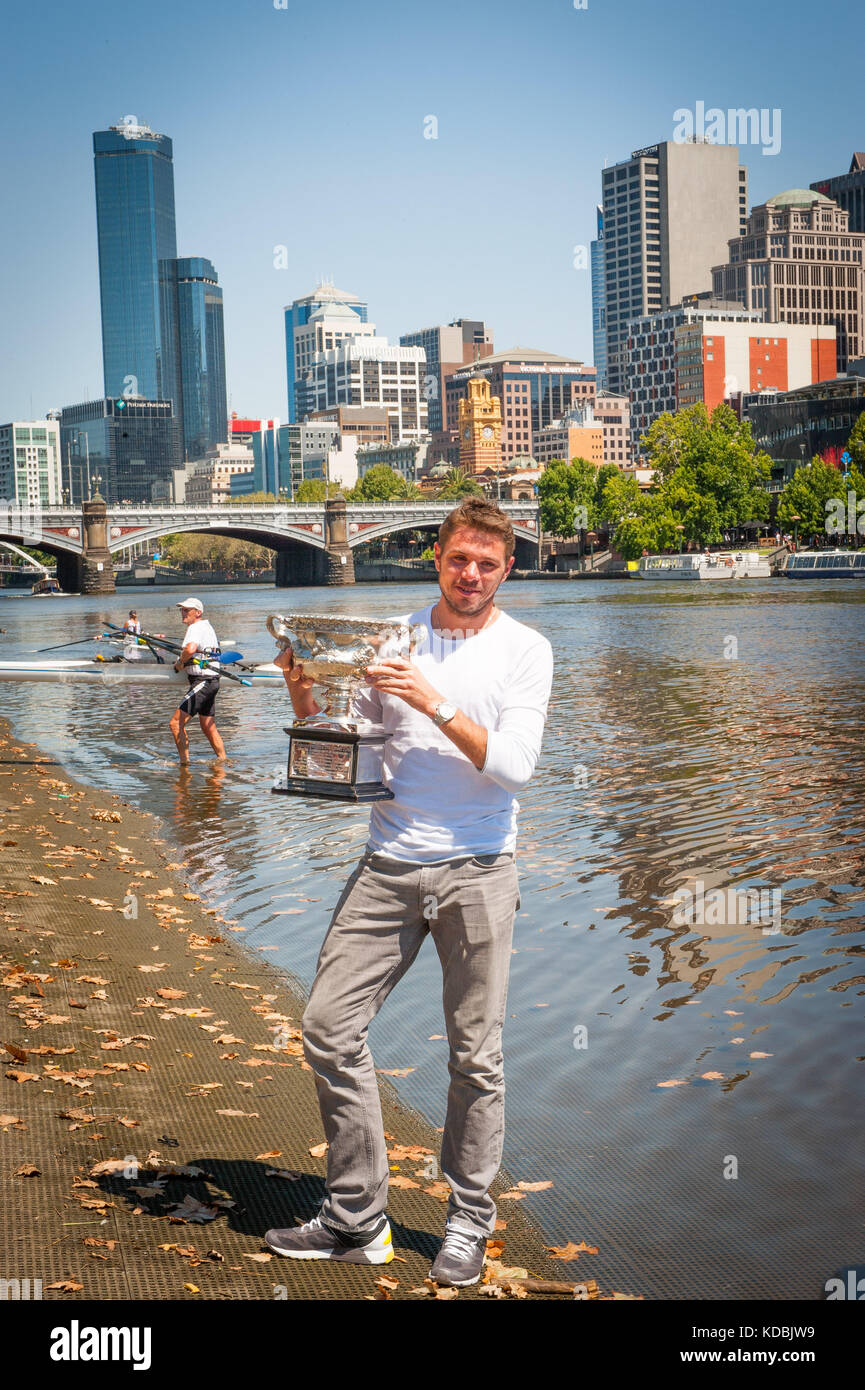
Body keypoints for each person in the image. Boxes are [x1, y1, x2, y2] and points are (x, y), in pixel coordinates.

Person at [266, 498, 554, 1286]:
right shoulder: (388, 638)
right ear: (438, 556)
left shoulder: (526, 650)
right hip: (387, 864)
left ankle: (466, 1221)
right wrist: (303, 694)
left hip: (479, 869)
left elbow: (514, 767)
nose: (471, 575)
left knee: (475, 1058)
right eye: (459, 559)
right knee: (327, 1026)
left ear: (507, 570)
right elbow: (349, 746)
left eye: (487, 565)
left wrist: (432, 699)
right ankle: (356, 1218)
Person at [168, 598, 226, 764]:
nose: (183, 613)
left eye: (187, 610)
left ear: (198, 613)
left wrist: (180, 663)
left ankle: (184, 765)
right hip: (212, 681)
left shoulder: (195, 627)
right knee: (208, 726)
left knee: (175, 723)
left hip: (203, 681)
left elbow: (190, 649)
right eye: (182, 610)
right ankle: (223, 761)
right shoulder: (207, 627)